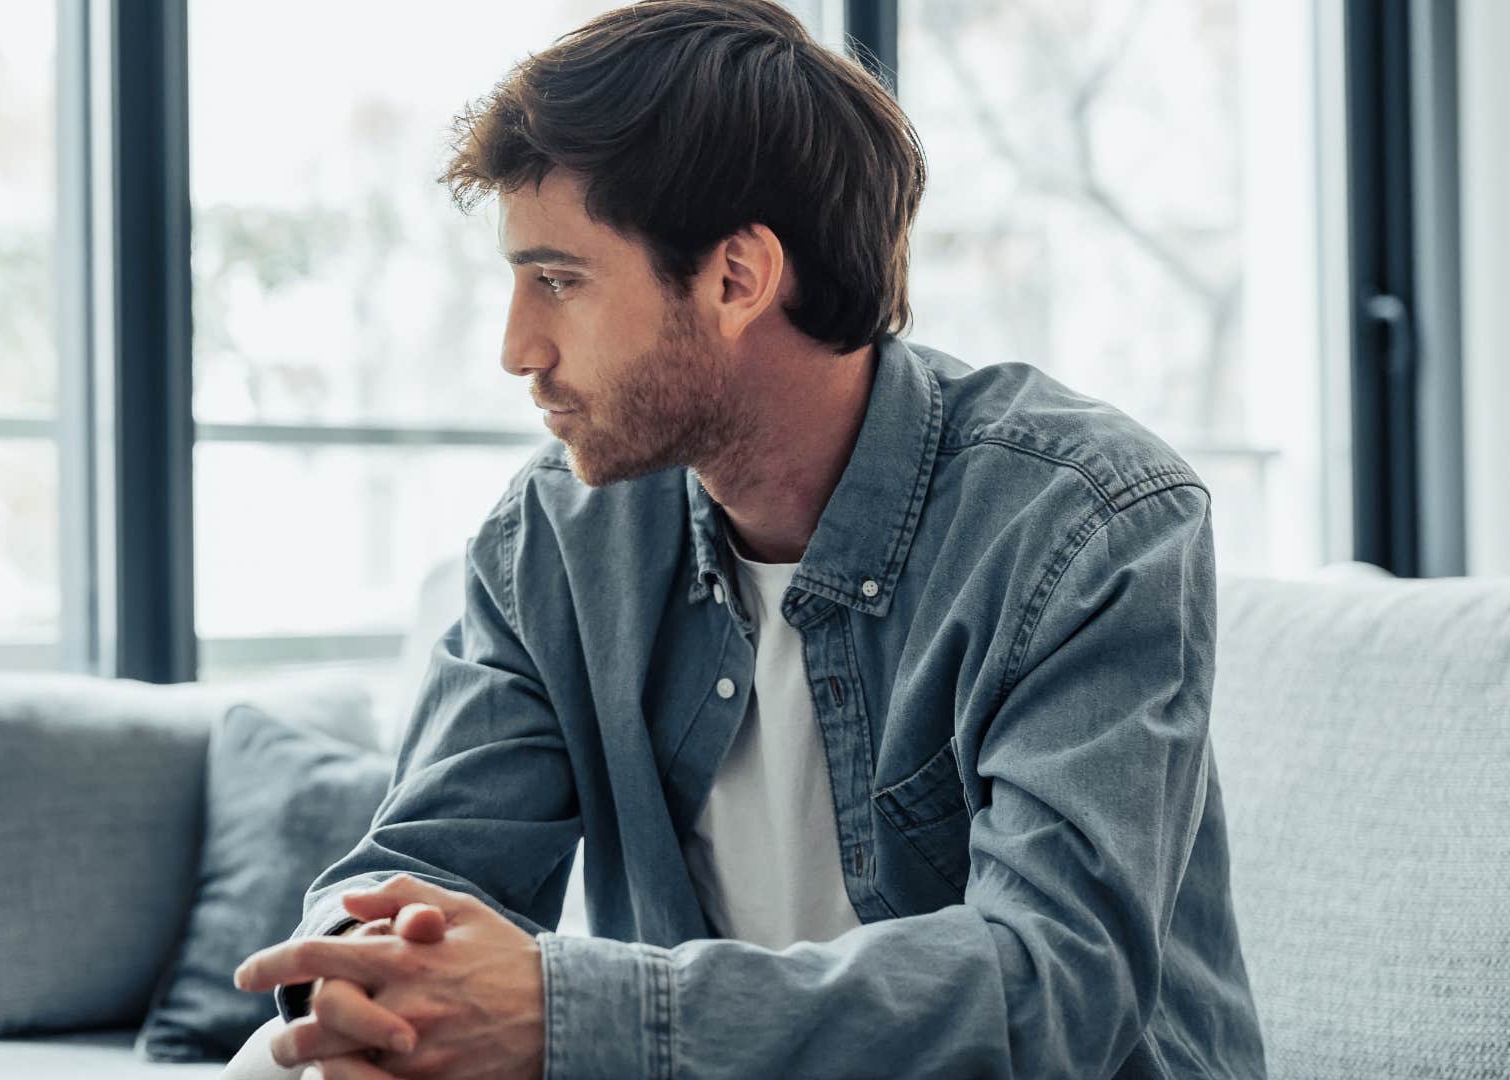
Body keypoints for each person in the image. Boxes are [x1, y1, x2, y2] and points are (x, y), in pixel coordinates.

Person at [226, 1, 1266, 1076]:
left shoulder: (1086, 523)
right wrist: (370, 983)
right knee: (285, 1062)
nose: (516, 347)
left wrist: (572, 1012)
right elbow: (427, 867)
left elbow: (1051, 990)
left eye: (560, 281)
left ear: (736, 279)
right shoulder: (558, 540)